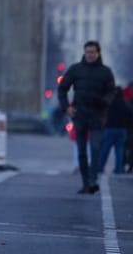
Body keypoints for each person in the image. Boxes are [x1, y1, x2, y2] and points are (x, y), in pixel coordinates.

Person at [56, 41, 116, 193]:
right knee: (81, 151)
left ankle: (92, 179)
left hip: (97, 116)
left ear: (98, 53)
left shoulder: (105, 72)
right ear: (84, 52)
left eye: (93, 52)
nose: (90, 55)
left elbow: (112, 92)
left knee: (95, 149)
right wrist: (66, 107)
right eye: (87, 52)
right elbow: (62, 88)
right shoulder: (76, 69)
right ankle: (85, 183)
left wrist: (105, 102)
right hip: (80, 116)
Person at [98, 87, 133, 174]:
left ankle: (100, 167)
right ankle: (118, 169)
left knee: (105, 150)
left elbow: (102, 113)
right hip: (121, 129)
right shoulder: (125, 104)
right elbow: (131, 115)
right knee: (119, 151)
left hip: (109, 128)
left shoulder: (109, 103)